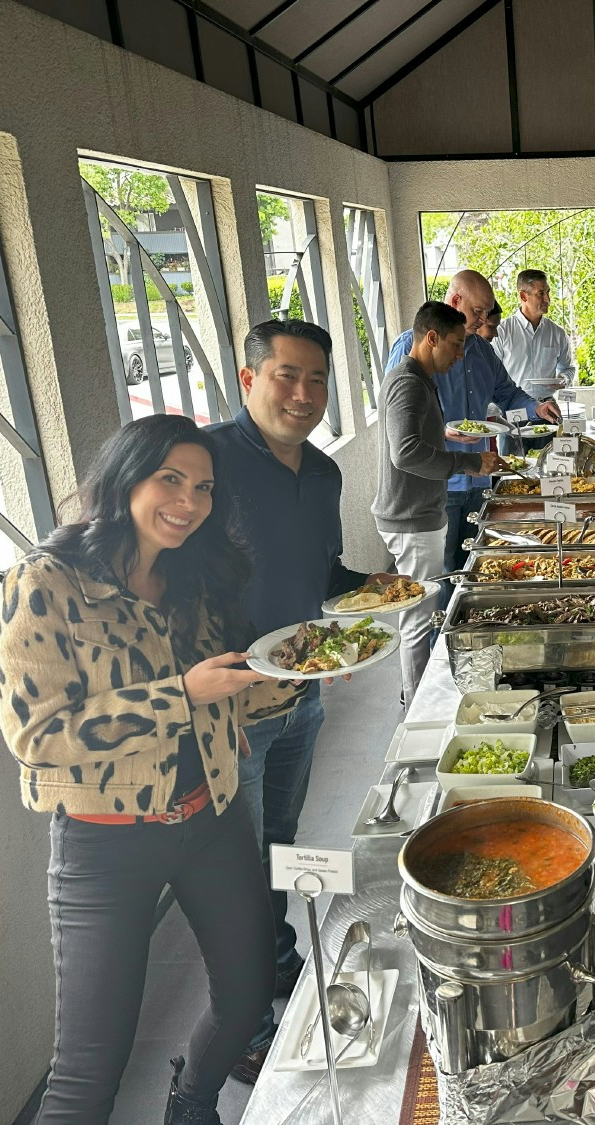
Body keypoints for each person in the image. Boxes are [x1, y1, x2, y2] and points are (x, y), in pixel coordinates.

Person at [0, 415, 304, 1124]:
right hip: (104, 843)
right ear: (125, 476)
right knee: (85, 1072)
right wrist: (179, 695)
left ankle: (190, 1102)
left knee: (249, 991)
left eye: (202, 487)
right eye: (171, 479)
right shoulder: (44, 581)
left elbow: (223, 688)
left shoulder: (190, 575)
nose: (188, 501)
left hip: (210, 815)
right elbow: (38, 734)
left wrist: (300, 675)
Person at [206, 319, 367, 1083]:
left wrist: (384, 597)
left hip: (299, 696)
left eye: (316, 380)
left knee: (279, 841)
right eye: (286, 376)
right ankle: (240, 1027)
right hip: (226, 711)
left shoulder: (326, 474)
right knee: (231, 867)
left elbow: (323, 576)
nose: (303, 395)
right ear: (248, 379)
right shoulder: (203, 464)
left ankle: (277, 966)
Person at [388, 270, 561, 581]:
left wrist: (537, 406)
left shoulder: (481, 350)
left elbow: (507, 393)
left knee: (476, 564)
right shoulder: (408, 347)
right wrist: (439, 431)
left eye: (486, 312)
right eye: (478, 311)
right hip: (441, 481)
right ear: (455, 301)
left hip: (479, 479)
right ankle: (441, 627)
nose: (484, 321)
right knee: (441, 573)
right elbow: (397, 419)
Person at [374, 301, 504, 697]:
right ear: (431, 338)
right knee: (418, 617)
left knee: (426, 609)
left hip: (421, 512)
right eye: (455, 344)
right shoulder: (408, 382)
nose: (461, 354)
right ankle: (416, 705)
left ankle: (422, 693)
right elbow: (406, 452)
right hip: (410, 516)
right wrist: (468, 462)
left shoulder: (420, 380)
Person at [494, 268, 578, 401]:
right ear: (523, 296)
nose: (547, 299)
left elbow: (568, 368)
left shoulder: (557, 333)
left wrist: (563, 379)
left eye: (548, 292)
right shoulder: (502, 331)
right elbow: (492, 374)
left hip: (547, 404)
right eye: (541, 293)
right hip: (512, 406)